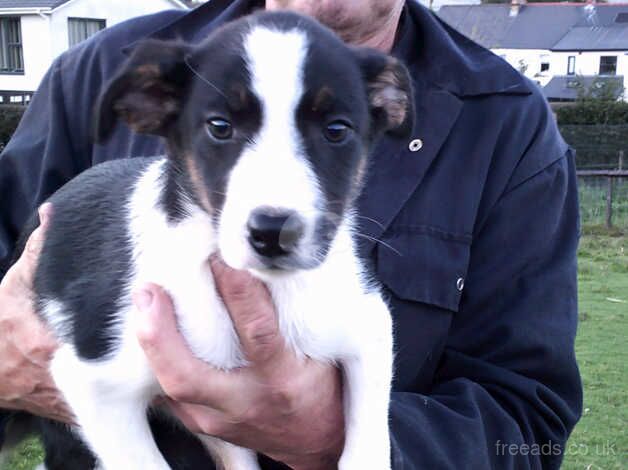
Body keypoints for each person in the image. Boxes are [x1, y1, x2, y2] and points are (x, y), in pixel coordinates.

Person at [0, 0, 582, 468]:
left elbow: (528, 428)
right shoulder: (99, 72)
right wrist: (25, 357)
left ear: (388, 107)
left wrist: (336, 435)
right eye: (223, 126)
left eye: (332, 129)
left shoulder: (511, 126)